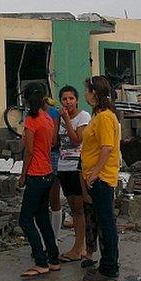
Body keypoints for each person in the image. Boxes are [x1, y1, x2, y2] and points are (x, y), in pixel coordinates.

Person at [81, 76, 121, 281]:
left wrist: (95, 173)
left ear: (94, 93)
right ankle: (108, 264)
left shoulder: (105, 117)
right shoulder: (100, 115)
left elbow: (107, 148)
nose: (85, 94)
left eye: (87, 90)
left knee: (106, 223)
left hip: (102, 178)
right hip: (97, 176)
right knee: (105, 221)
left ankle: (109, 268)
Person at [18, 83, 60, 278]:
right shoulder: (48, 118)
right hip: (48, 173)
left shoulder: (31, 120)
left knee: (25, 219)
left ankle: (40, 260)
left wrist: (23, 174)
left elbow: (29, 150)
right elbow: (51, 143)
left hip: (35, 173)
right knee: (42, 218)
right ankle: (53, 258)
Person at [55, 86, 91, 262]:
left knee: (79, 208)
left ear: (76, 100)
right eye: (64, 99)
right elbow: (56, 142)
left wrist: (67, 120)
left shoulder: (83, 117)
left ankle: (78, 248)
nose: (67, 102)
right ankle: (81, 246)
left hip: (77, 166)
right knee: (74, 208)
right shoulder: (60, 118)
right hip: (63, 166)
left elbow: (77, 140)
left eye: (70, 98)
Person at [43, 98, 63, 241]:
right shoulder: (31, 114)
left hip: (52, 155)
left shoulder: (53, 113)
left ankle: (54, 238)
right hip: (41, 156)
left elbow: (54, 140)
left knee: (53, 198)